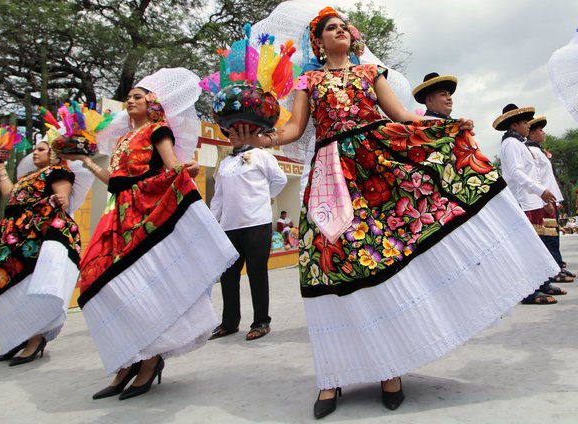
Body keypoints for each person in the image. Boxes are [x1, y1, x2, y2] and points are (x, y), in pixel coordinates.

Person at [231, 6, 559, 419]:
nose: (341, 31)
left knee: (385, 259)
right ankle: (331, 376)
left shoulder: (372, 73)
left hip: (378, 170)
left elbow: (402, 116)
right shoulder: (308, 80)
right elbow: (294, 131)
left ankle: (391, 368)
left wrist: (447, 129)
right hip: (331, 177)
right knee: (327, 265)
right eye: (331, 28)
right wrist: (261, 138)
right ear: (318, 42)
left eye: (344, 26)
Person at [68, 68, 238, 401]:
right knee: (95, 278)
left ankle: (150, 359)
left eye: (138, 96)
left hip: (147, 212)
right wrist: (86, 162)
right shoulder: (121, 140)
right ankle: (130, 359)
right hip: (117, 214)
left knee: (147, 283)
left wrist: (187, 170)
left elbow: (171, 165)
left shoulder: (158, 130)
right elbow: (115, 182)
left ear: (152, 102)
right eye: (128, 97)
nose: (130, 101)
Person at [0, 140, 81, 366]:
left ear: (54, 154)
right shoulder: (27, 176)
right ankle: (21, 335)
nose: (34, 153)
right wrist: (0, 168)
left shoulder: (58, 172)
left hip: (35, 234)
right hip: (12, 233)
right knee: (8, 282)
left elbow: (63, 199)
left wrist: (61, 199)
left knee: (31, 283)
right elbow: (10, 194)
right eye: (34, 149)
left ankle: (36, 337)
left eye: (40, 150)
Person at [209, 139, 287, 341]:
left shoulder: (262, 156)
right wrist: (211, 222)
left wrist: (261, 199)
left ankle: (261, 322)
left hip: (256, 223)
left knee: (256, 272)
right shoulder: (225, 162)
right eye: (231, 131)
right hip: (229, 225)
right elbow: (218, 197)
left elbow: (280, 180)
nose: (234, 134)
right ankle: (229, 322)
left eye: (239, 129)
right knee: (228, 275)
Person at [494, 105, 565, 304]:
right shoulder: (511, 144)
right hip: (524, 202)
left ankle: (542, 283)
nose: (528, 126)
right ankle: (529, 291)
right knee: (530, 248)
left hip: (533, 201)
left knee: (540, 245)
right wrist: (540, 191)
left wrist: (542, 197)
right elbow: (516, 173)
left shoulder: (519, 143)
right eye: (525, 123)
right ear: (515, 124)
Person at [526, 116, 575, 282]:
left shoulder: (538, 149)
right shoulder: (531, 151)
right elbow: (537, 178)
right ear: (531, 133)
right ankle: (554, 269)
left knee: (554, 235)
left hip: (549, 198)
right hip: (543, 200)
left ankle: (558, 265)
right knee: (549, 236)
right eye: (540, 130)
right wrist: (545, 202)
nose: (543, 133)